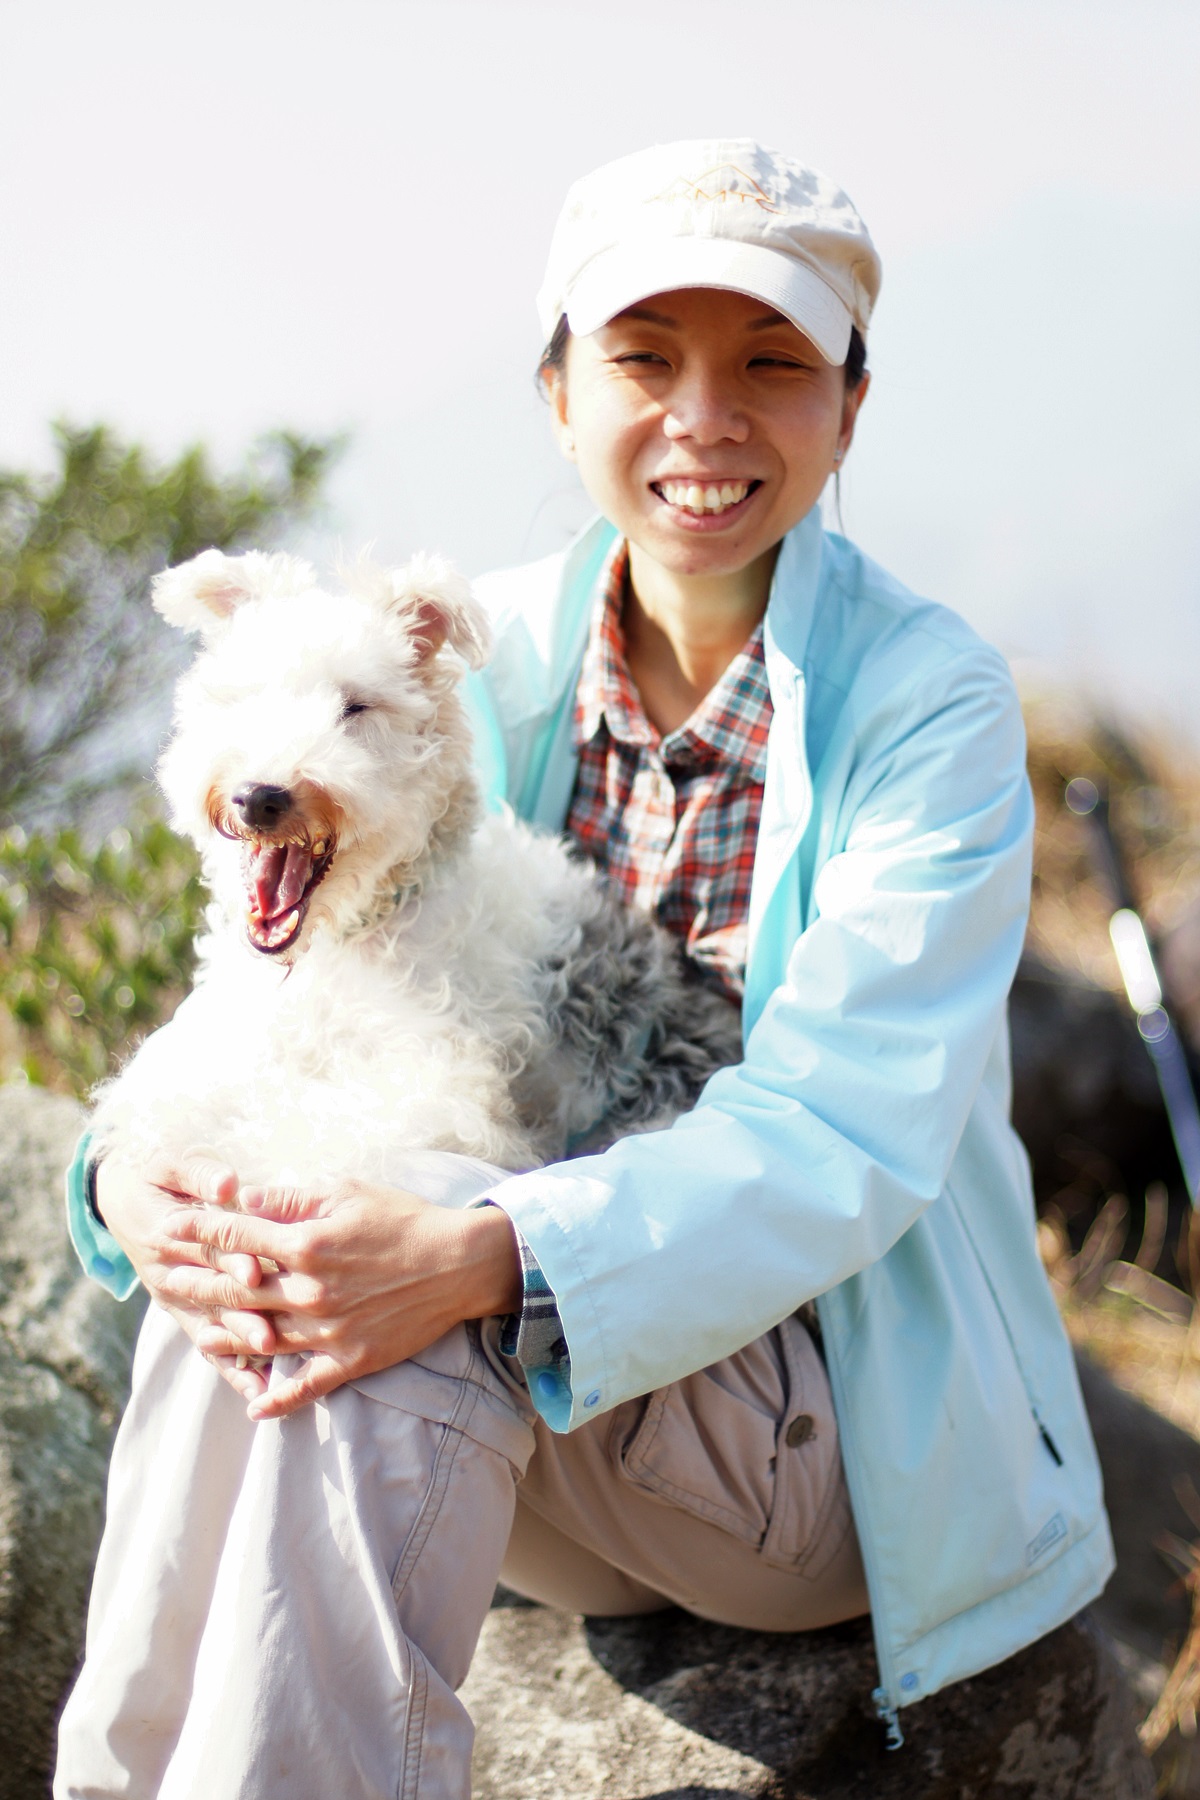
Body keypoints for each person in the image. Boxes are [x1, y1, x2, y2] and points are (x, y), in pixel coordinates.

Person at [56, 139, 1112, 1798]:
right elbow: (279, 966)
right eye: (644, 359)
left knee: (389, 1261)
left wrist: (472, 1257)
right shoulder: (450, 660)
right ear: (558, 394)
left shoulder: (929, 709)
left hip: (816, 1433)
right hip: (564, 1429)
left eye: (772, 364)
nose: (705, 419)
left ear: (849, 404)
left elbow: (849, 1128)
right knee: (263, 1274)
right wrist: (123, 1180)